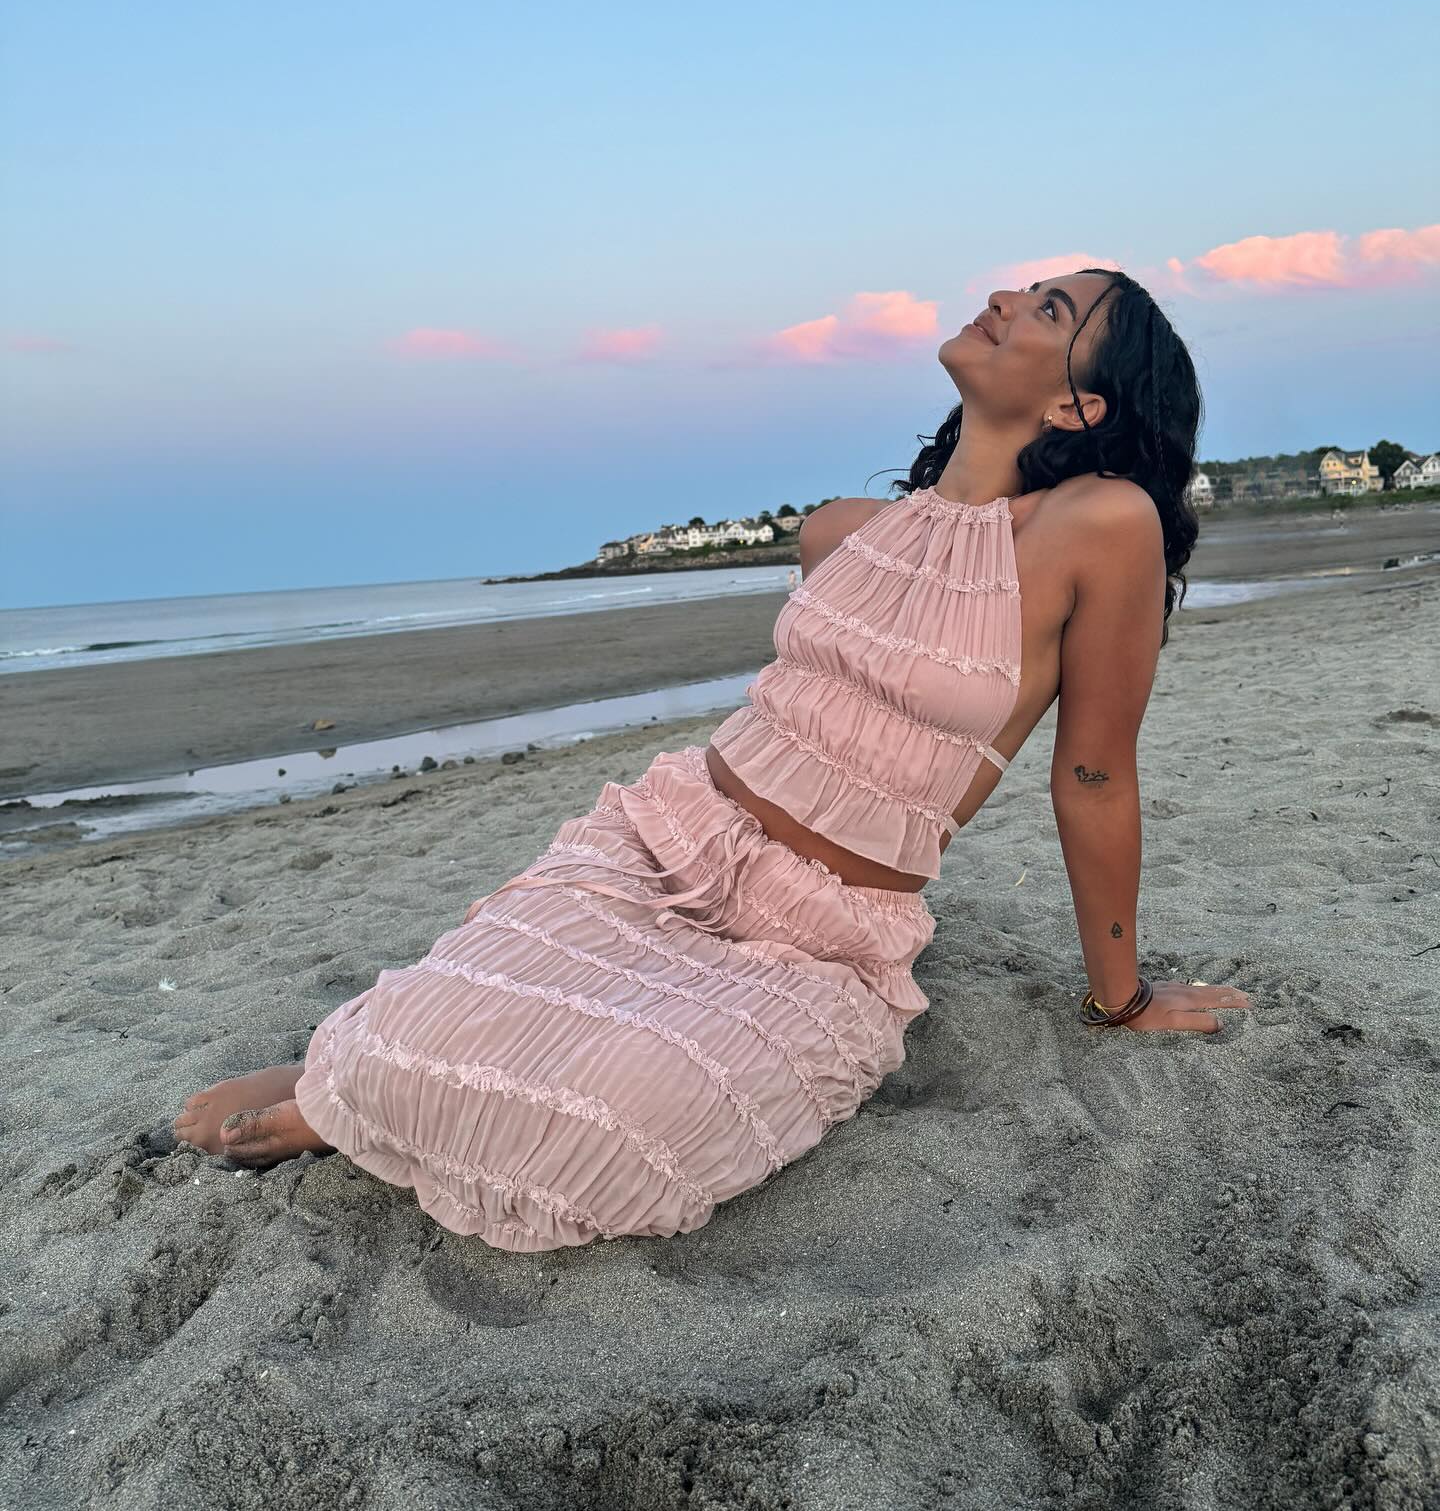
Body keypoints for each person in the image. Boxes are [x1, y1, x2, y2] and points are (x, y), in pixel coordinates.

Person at [174, 269, 1252, 1250]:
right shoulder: (841, 532)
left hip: (822, 934)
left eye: (1053, 309)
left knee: (626, 1136)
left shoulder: (1100, 523)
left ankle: (362, 1089)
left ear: (1076, 406)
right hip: (665, 843)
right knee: (426, 1022)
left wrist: (1119, 995)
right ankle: (344, 1079)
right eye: (1026, 284)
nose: (1008, 296)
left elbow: (1094, 773)